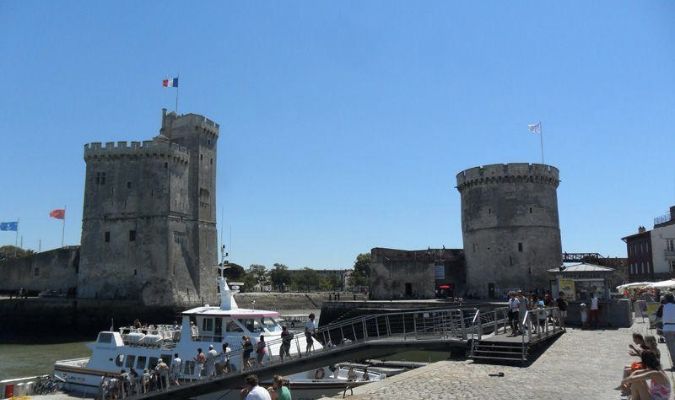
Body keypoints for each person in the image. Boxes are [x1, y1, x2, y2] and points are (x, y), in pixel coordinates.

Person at [659, 293, 675, 367]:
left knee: (671, 347)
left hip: (667, 328)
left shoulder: (663, 306)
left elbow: (658, 316)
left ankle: (674, 363)